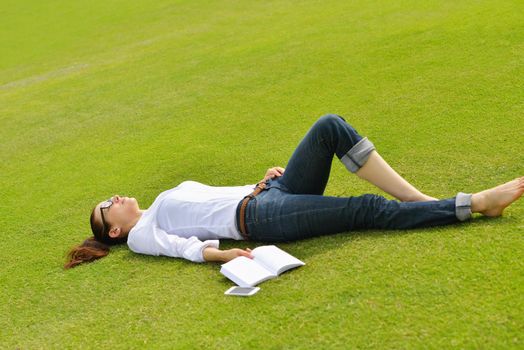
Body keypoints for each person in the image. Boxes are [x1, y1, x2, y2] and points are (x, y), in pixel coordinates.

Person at [64, 114, 523, 269]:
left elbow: (218, 196)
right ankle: (475, 204)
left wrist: (261, 179)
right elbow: (181, 249)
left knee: (328, 127)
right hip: (260, 221)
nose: (114, 198)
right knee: (362, 209)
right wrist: (223, 256)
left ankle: (422, 202)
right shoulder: (143, 234)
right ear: (116, 232)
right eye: (107, 208)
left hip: (266, 195)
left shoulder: (165, 195)